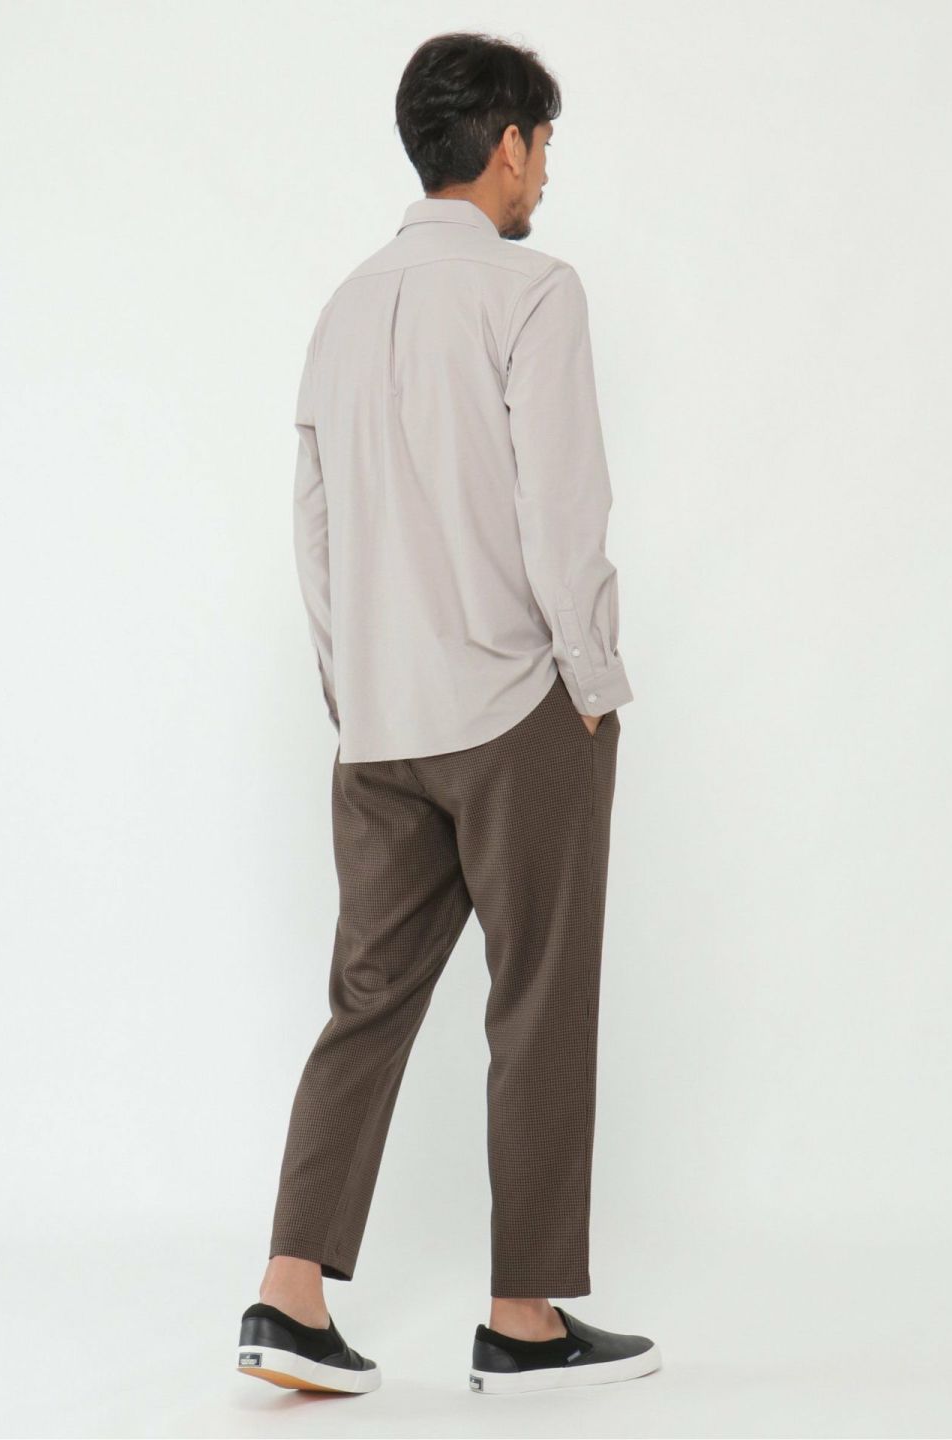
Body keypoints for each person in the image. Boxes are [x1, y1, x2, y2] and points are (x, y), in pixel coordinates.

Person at [236, 31, 661, 1397]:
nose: (546, 174)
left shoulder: (344, 305)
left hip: (379, 725)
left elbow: (310, 529)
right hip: (513, 705)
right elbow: (563, 509)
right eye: (544, 145)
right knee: (537, 1001)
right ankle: (522, 1324)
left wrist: (352, 691)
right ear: (507, 146)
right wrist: (591, 681)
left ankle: (288, 1299)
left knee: (365, 1003)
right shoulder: (534, 292)